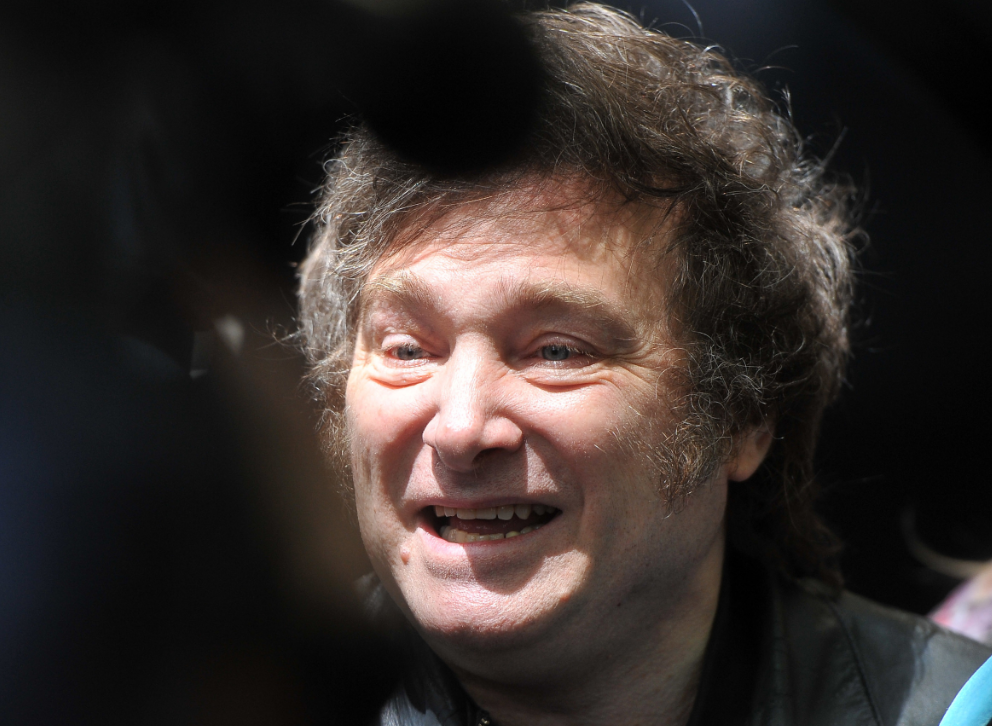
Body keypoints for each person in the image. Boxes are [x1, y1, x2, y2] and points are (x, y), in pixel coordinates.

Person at [295, 4, 992, 724]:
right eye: (407, 350)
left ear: (742, 416)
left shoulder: (954, 710)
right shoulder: (234, 688)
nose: (461, 428)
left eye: (557, 351)